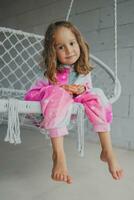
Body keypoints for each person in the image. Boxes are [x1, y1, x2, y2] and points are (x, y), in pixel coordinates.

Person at [24, 21, 123, 184]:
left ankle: (107, 150)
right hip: (49, 113)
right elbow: (30, 96)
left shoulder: (82, 69)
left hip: (73, 111)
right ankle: (58, 155)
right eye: (61, 47)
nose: (69, 50)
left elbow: (87, 91)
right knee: (56, 92)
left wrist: (81, 90)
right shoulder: (48, 73)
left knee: (97, 94)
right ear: (52, 51)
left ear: (79, 42)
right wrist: (60, 88)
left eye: (72, 43)